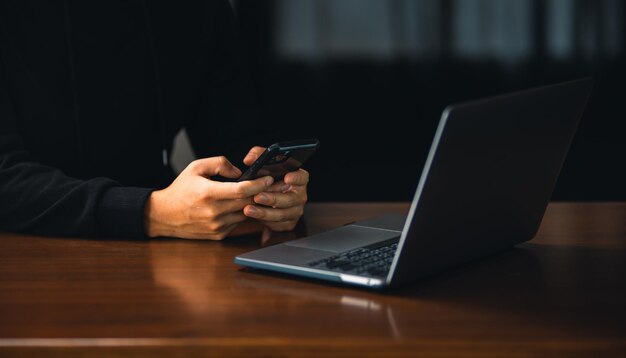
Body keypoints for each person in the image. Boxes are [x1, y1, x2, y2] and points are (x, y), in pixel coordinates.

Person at [0, 1, 309, 240]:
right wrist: (148, 211)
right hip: (26, 252)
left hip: (164, 254)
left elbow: (237, 143)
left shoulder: (196, 11)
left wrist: (271, 195)